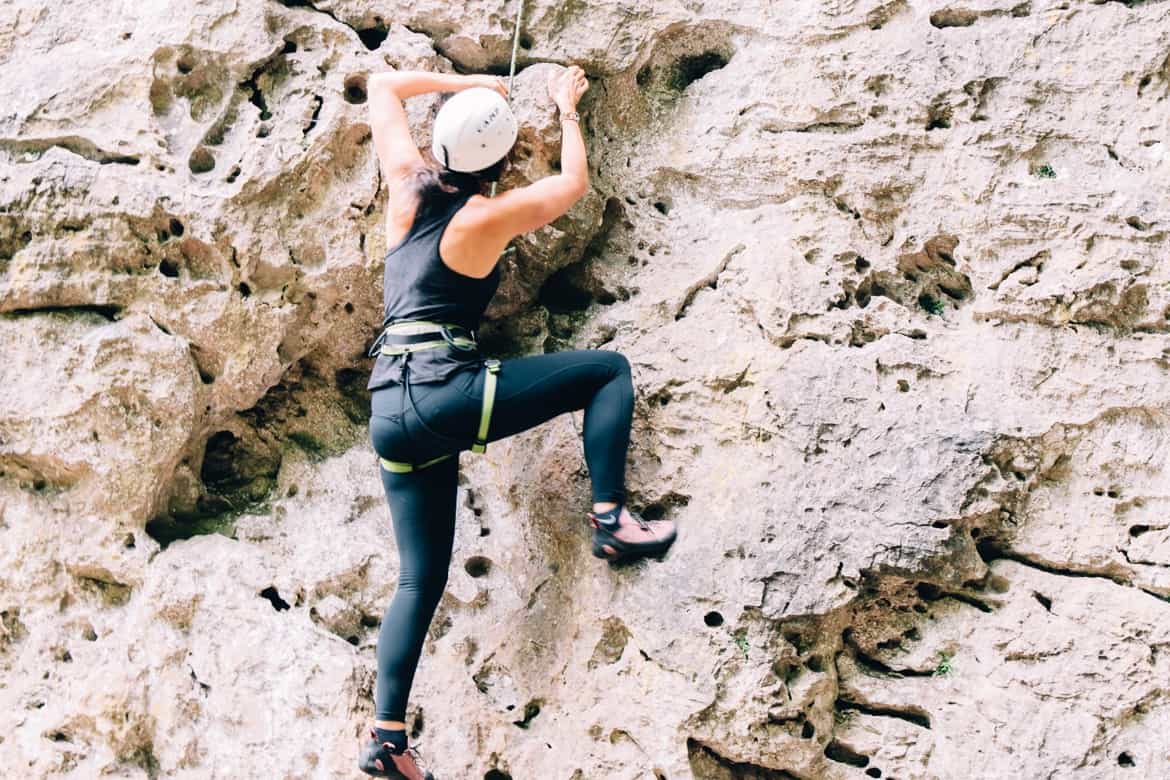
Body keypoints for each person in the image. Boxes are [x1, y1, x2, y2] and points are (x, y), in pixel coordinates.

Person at [357, 65, 678, 779]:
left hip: (388, 409)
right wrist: (565, 109)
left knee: (418, 578)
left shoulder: (405, 183)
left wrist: (466, 79)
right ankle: (610, 522)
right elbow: (570, 187)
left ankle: (388, 735)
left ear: (437, 145)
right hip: (447, 391)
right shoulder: (485, 216)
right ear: (499, 163)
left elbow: (382, 86)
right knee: (606, 371)